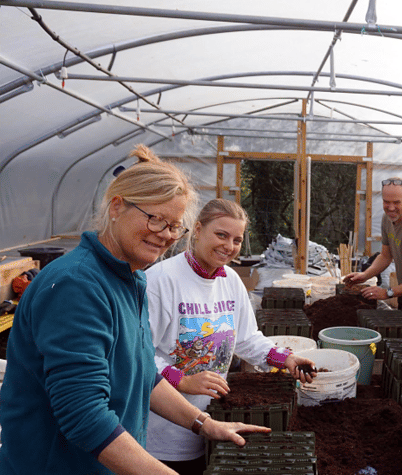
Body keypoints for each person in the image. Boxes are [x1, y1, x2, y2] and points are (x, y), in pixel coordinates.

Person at [0, 145, 271, 475]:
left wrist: (204, 423)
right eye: (156, 219)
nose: (166, 236)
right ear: (116, 207)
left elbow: (144, 375)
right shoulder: (76, 286)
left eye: (174, 226)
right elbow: (84, 415)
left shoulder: (131, 281)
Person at [144, 198, 317, 475]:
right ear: (198, 230)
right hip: (164, 433)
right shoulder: (160, 280)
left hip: (215, 423)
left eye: (237, 240)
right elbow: (138, 356)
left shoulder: (230, 281)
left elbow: (247, 338)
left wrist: (286, 359)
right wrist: (183, 380)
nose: (229, 246)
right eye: (221, 235)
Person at [344, 177, 402, 321]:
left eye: (396, 202)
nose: (391, 207)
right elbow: (386, 256)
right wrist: (364, 275)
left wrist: (388, 293)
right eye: (386, 202)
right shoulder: (388, 218)